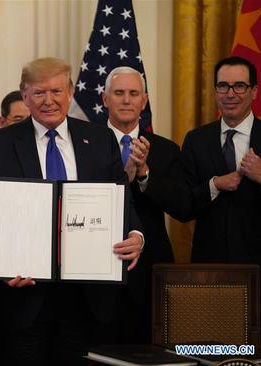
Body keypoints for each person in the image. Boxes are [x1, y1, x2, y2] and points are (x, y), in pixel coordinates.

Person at [0, 57, 144, 365]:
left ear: (70, 91)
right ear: (24, 95)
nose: (48, 101)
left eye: (56, 91)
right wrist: (2, 263)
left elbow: (120, 198)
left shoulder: (100, 140)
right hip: (22, 296)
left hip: (88, 295)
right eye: (38, 93)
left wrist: (135, 234)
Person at [181, 56, 261, 343]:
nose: (230, 94)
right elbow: (183, 206)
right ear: (214, 91)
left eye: (239, 86)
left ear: (254, 91)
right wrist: (214, 185)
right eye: (223, 86)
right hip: (211, 271)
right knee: (211, 350)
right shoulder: (196, 140)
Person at [102, 66, 191, 343]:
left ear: (144, 100)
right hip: (98, 264)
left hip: (151, 267)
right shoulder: (85, 143)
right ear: (105, 99)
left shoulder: (166, 149)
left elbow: (183, 208)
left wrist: (144, 175)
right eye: (119, 93)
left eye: (133, 93)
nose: (126, 100)